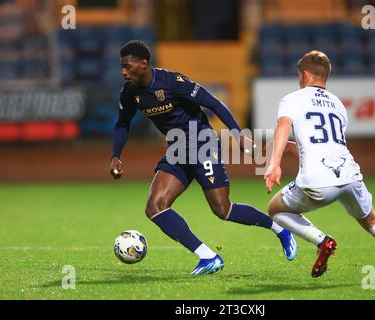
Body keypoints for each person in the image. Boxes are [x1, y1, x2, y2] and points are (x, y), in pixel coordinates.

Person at [110, 40, 297, 275]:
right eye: (122, 67)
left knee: (223, 210)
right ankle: (208, 257)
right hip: (177, 148)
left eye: (127, 66)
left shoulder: (172, 82)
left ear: (143, 64)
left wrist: (238, 135)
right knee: (155, 207)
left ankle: (280, 229)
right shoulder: (130, 93)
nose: (123, 72)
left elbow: (214, 103)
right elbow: (122, 124)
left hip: (201, 143)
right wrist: (116, 155)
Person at [264, 50, 375, 283]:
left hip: (317, 182)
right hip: (350, 176)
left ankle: (322, 241)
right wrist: (285, 149)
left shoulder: (292, 99)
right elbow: (324, 145)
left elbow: (283, 127)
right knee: (373, 222)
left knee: (276, 209)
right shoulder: (338, 105)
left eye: (299, 75)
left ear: (305, 74)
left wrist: (274, 164)